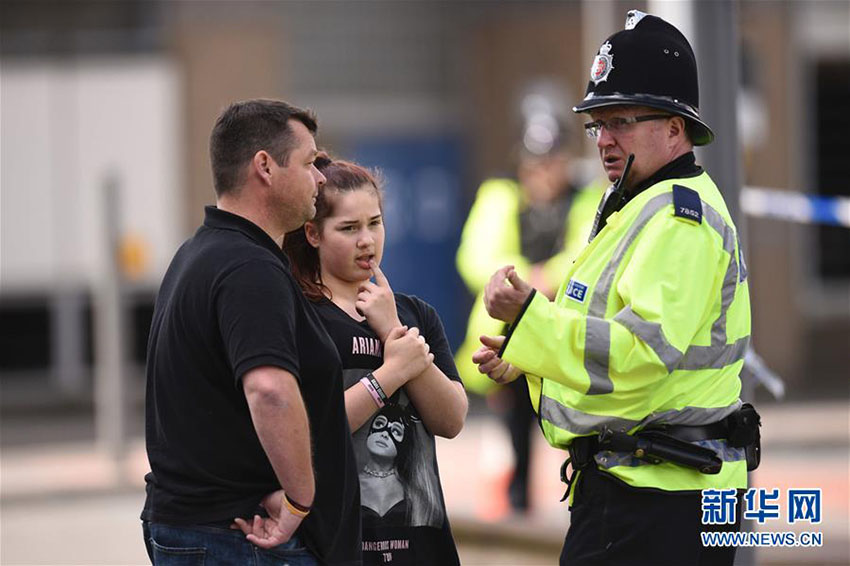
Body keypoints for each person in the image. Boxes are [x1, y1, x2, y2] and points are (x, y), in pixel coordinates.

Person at [474, 10, 760, 566]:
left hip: (658, 498)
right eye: (597, 123)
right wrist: (529, 358)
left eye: (621, 121)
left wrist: (530, 316)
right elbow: (607, 333)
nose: (603, 140)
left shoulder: (680, 219)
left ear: (675, 127)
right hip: (646, 487)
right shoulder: (640, 204)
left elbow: (642, 352)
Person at [141, 99, 361, 566]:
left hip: (205, 529)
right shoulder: (249, 268)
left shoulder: (199, 253)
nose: (321, 178)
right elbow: (269, 390)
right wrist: (301, 500)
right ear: (265, 166)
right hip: (242, 537)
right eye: (309, 163)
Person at [284, 155, 467, 566]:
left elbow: (451, 420)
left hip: (421, 545)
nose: (367, 240)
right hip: (338, 545)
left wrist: (391, 331)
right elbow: (309, 432)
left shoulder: (415, 314)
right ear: (313, 233)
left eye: (375, 223)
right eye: (348, 228)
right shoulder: (301, 316)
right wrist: (392, 372)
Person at [454, 115, 603, 513]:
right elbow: (475, 255)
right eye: (535, 162)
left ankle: (580, 504)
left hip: (561, 332)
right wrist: (525, 277)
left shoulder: (586, 199)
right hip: (507, 333)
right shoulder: (500, 195)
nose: (543, 172)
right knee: (515, 428)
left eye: (552, 161)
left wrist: (544, 280)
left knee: (573, 426)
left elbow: (589, 253)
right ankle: (518, 510)